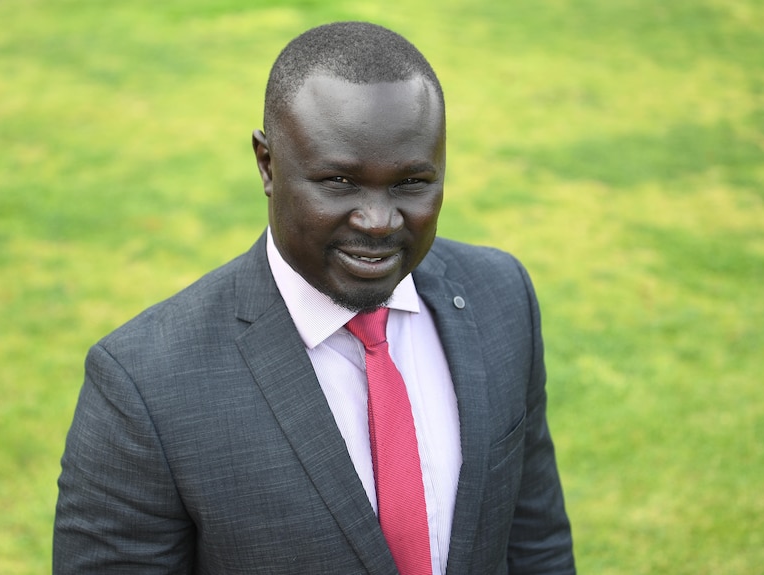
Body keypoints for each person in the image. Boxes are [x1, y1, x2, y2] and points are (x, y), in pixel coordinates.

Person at [53, 21, 575, 575]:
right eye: (339, 182)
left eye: (411, 183)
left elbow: (534, 542)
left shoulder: (501, 298)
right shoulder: (144, 384)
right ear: (267, 164)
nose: (379, 221)